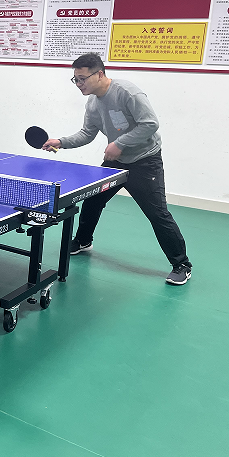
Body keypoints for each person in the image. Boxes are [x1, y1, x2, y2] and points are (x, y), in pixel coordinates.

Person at [42, 52, 193, 285]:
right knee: (93, 200)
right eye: (76, 79)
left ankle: (182, 264)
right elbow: (87, 134)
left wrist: (120, 143)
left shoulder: (127, 92)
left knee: (157, 214)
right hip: (116, 161)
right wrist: (61, 142)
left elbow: (150, 124)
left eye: (82, 79)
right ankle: (83, 240)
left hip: (145, 161)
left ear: (99, 74)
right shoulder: (93, 103)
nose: (79, 84)